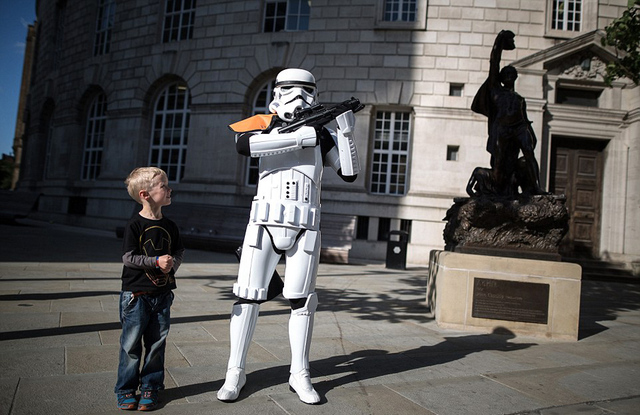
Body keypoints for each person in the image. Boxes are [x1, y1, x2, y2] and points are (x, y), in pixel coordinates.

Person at [217, 68, 360, 404]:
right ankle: (234, 372)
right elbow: (244, 145)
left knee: (302, 302)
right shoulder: (265, 123)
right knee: (248, 297)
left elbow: (349, 173)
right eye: (291, 89)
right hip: (265, 221)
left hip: (305, 225)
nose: (299, 97)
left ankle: (300, 373)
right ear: (277, 93)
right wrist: (298, 137)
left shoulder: (321, 135)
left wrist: (346, 134)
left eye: (306, 90)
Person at [115, 167, 185, 411]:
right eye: (163, 185)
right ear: (145, 194)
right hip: (136, 297)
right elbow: (128, 257)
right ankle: (125, 389)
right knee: (131, 347)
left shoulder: (171, 225)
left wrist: (172, 265)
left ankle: (151, 387)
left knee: (156, 345)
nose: (169, 189)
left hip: (162, 295)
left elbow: (178, 251)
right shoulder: (135, 224)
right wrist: (155, 262)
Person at [471, 30, 546, 196]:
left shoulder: (519, 98)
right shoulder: (495, 90)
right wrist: (499, 42)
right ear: (501, 78)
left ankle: (536, 187)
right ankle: (497, 189)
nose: (509, 76)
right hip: (502, 129)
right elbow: (494, 62)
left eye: (512, 74)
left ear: (515, 77)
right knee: (499, 163)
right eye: (506, 74)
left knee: (528, 154)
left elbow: (525, 119)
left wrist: (531, 135)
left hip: (519, 127)